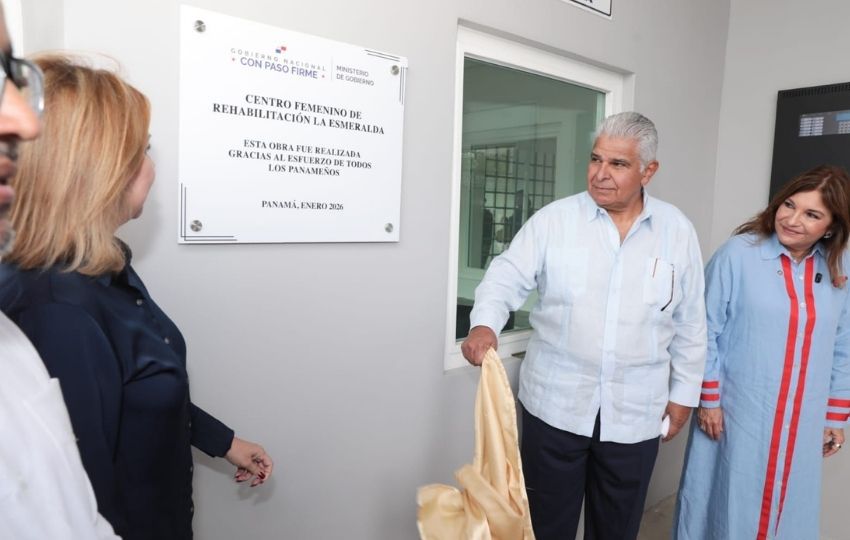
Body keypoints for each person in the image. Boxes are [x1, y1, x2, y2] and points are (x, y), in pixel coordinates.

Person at [0, 54, 273, 540]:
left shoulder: (106, 267)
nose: (152, 167)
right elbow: (83, 505)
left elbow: (141, 391)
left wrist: (223, 441)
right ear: (99, 171)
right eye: (143, 151)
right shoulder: (58, 312)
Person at [462, 111, 707, 539]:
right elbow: (504, 277)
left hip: (634, 413)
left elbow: (690, 322)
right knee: (545, 525)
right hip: (554, 407)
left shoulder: (677, 232)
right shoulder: (555, 221)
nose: (600, 174)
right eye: (596, 159)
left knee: (616, 527)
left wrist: (684, 394)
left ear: (649, 170)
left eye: (618, 164)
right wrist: (485, 324)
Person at [674, 165, 850, 539]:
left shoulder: (839, 269)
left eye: (812, 214)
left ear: (831, 227)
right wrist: (709, 399)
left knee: (790, 507)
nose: (792, 219)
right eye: (789, 205)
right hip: (738, 414)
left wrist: (835, 416)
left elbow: (843, 345)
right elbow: (703, 329)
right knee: (723, 502)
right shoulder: (739, 254)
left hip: (803, 419)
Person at [0, 10, 120, 540]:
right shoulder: (56, 308)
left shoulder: (13, 347)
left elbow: (80, 514)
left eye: (9, 74)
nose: (25, 124)